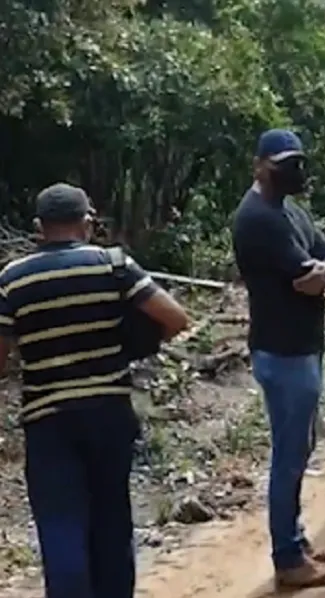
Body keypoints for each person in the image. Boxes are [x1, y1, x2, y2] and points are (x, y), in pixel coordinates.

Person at [0, 183, 189, 598]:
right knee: (111, 523)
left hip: (49, 422)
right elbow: (175, 318)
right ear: (87, 223)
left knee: (61, 526)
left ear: (38, 227)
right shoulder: (113, 265)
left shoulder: (11, 279)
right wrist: (130, 344)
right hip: (108, 413)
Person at [232, 129, 325, 589]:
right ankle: (287, 559)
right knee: (288, 456)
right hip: (282, 350)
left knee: (299, 448)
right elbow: (310, 273)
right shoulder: (259, 218)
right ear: (260, 164)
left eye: (298, 162)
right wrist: (323, 271)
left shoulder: (290, 211)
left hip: (299, 346)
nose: (295, 171)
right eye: (284, 163)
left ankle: (296, 541)